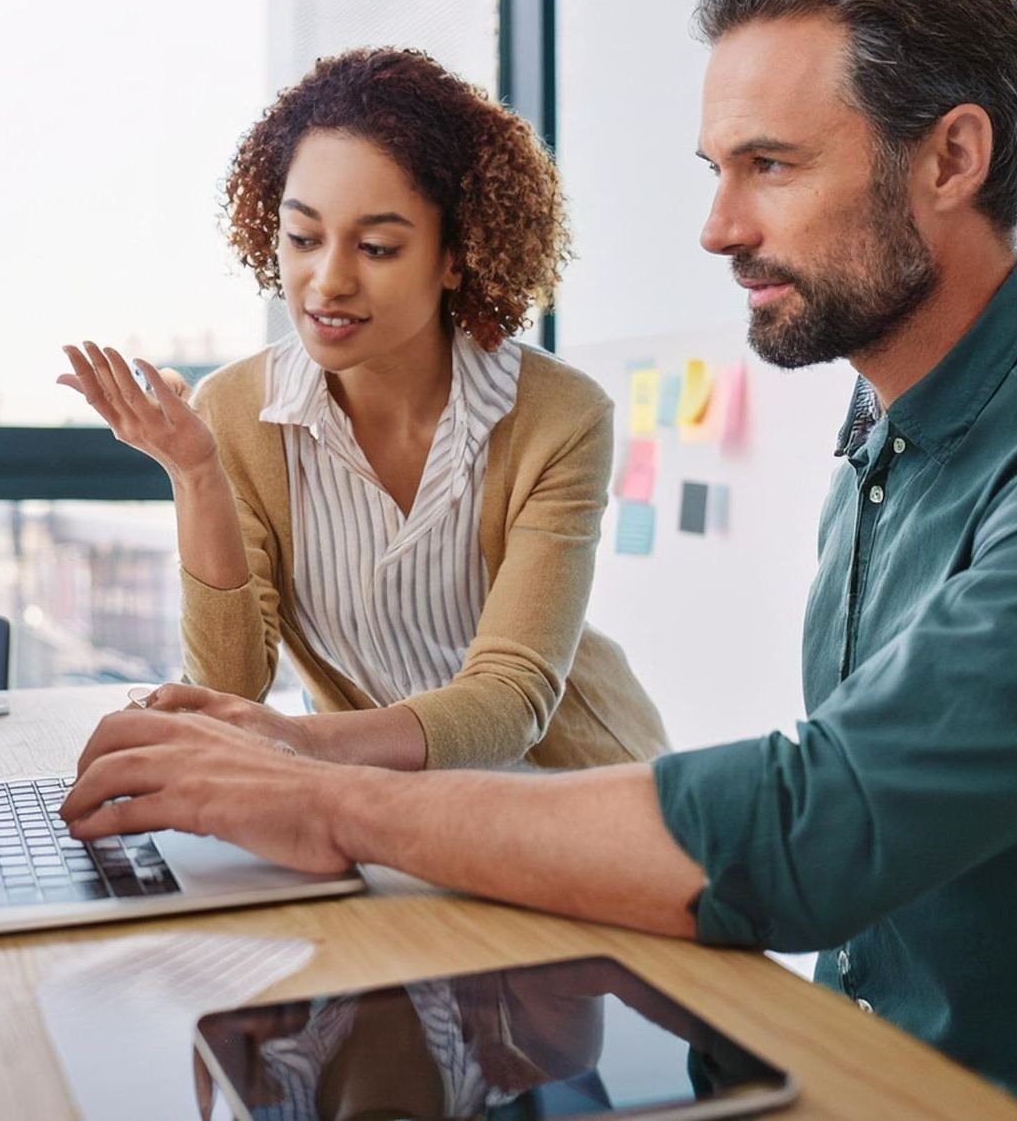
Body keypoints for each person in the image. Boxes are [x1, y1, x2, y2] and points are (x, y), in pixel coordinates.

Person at [61, 0, 1017, 1117]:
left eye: (769, 165)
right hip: (854, 1060)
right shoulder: (889, 442)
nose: (717, 228)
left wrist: (325, 793)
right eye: (717, 172)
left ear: (949, 159)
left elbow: (819, 826)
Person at [59, 47, 667, 772]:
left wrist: (298, 742)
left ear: (454, 255)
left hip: (581, 791)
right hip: (388, 808)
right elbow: (231, 688)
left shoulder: (559, 417)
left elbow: (511, 699)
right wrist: (196, 475)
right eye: (303, 238)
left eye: (377, 247)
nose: (328, 280)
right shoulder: (238, 411)